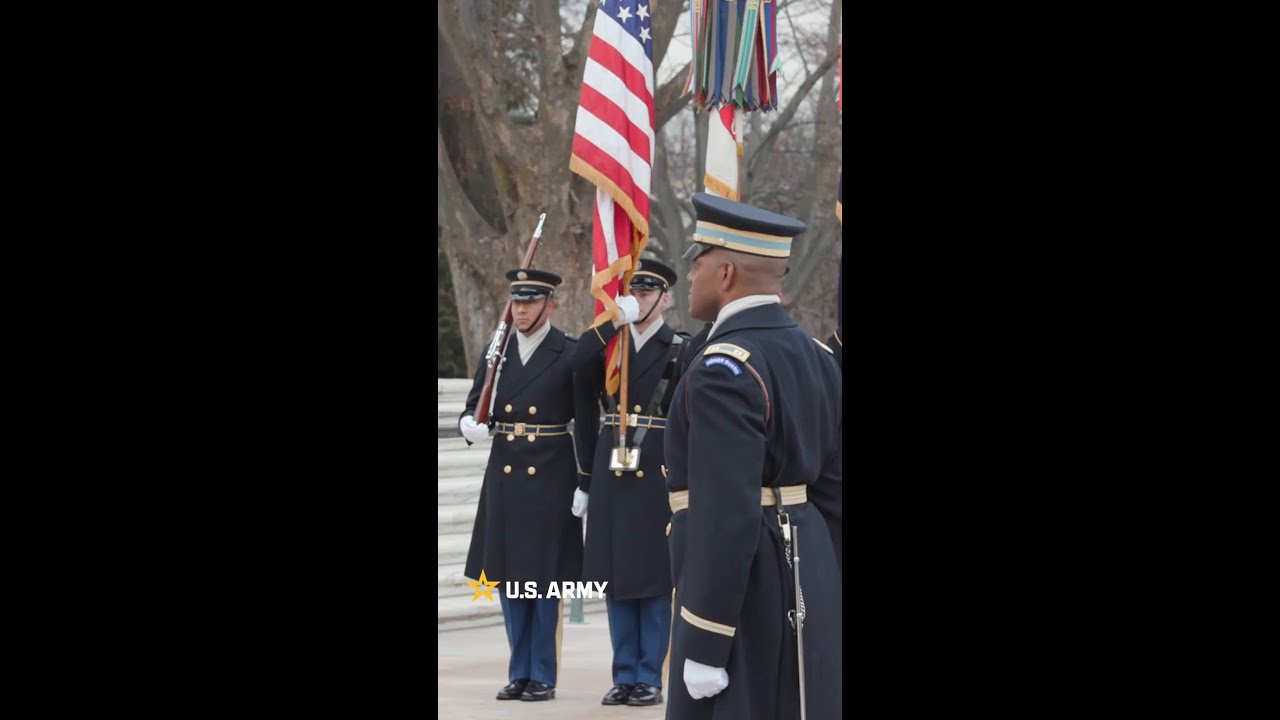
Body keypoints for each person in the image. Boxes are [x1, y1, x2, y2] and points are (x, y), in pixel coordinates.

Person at [664, 193, 843, 719]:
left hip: (745, 591)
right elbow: (833, 492)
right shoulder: (818, 357)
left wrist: (705, 636)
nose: (690, 276)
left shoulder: (722, 369)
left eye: (697, 263)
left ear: (725, 274)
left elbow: (726, 514)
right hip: (810, 568)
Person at [458, 268, 582, 703]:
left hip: (551, 473)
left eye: (531, 301)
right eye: (517, 301)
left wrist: (586, 481)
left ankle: (542, 673)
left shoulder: (569, 352)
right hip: (506, 472)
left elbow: (586, 420)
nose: (522, 309)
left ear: (551, 304)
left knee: (544, 580)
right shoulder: (498, 351)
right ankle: (519, 671)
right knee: (510, 578)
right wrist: (469, 424)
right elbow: (476, 403)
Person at [571, 258, 688, 707]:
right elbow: (575, 366)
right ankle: (623, 673)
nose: (638, 299)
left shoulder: (680, 347)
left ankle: (649, 676)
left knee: (653, 575)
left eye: (646, 292)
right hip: (610, 468)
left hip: (656, 468)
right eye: (633, 292)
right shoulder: (610, 345)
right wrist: (610, 322)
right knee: (614, 575)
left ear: (666, 299)